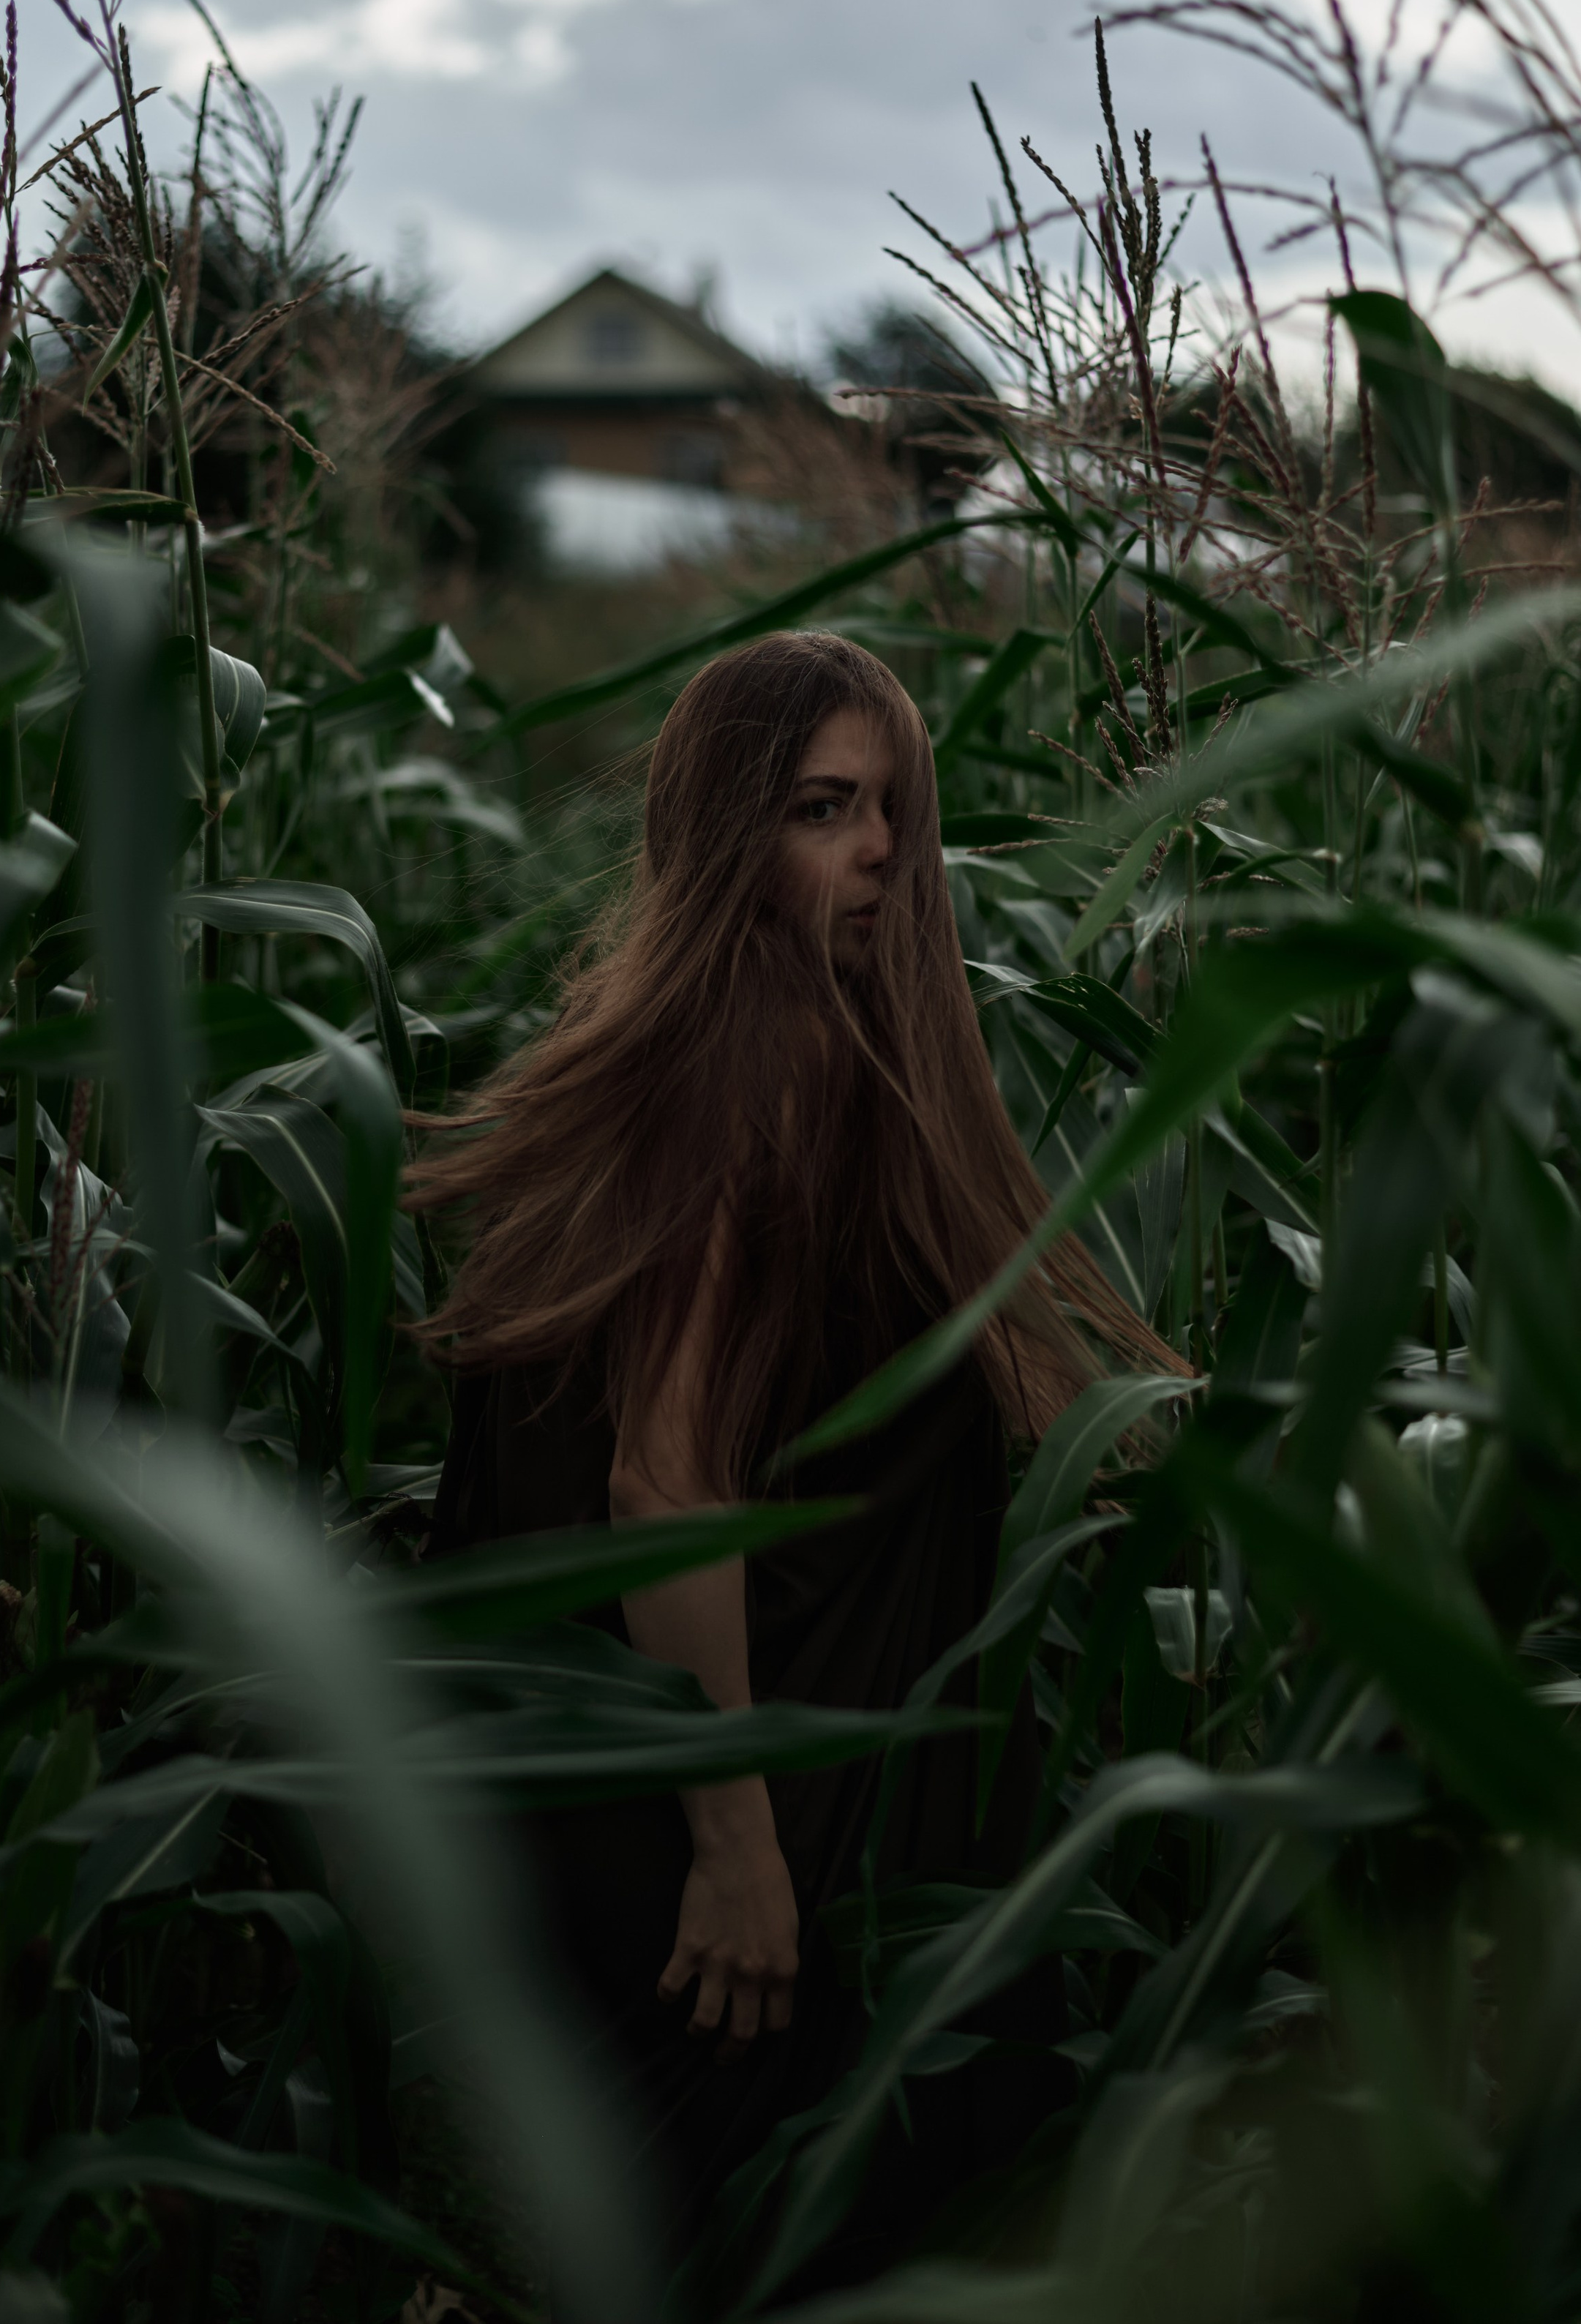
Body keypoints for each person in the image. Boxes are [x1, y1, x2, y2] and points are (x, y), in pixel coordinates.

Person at [406, 630, 1180, 2289]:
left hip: (795, 1787)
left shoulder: (812, 1056)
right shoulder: (733, 1078)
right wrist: (737, 1851)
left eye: (892, 805)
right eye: (825, 808)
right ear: (721, 834)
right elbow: (660, 1490)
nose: (883, 851)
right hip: (747, 1817)